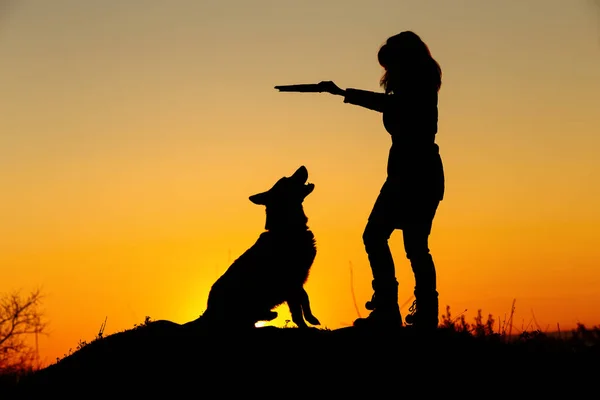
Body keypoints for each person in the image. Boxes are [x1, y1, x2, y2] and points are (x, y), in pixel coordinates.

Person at [277, 31, 445, 330]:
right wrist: (341, 92)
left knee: (378, 236)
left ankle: (389, 309)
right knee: (414, 246)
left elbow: (391, 107)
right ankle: (416, 313)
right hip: (420, 172)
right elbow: (391, 106)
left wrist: (343, 92)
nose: (387, 72)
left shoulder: (416, 90)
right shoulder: (420, 86)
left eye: (390, 65)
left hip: (412, 174)